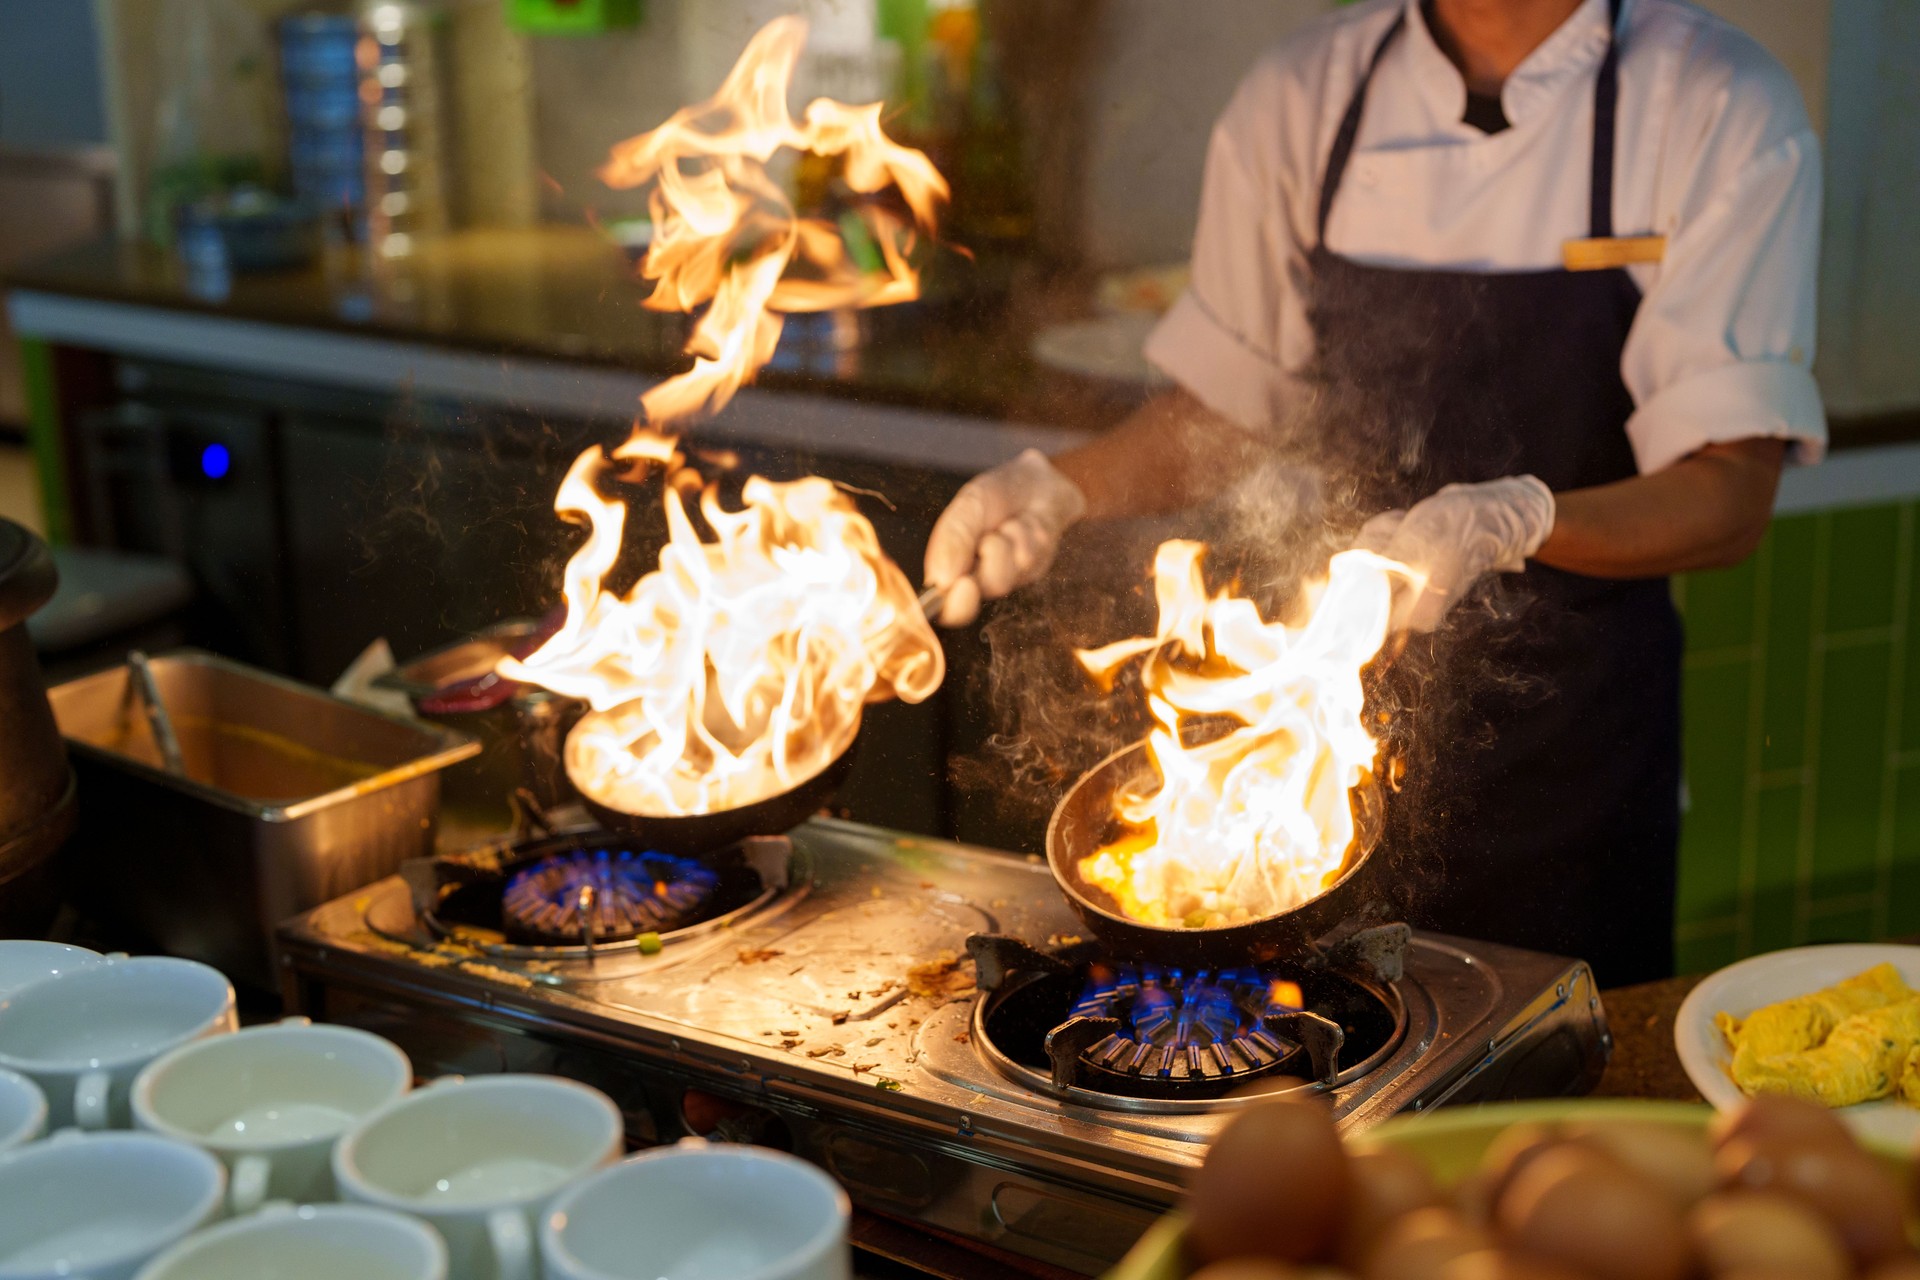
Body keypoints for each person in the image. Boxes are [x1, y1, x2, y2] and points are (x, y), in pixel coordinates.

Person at [921, 0, 1825, 986]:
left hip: (1570, 769)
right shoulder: (1305, 98)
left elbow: (1731, 489)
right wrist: (1061, 487)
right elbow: (1227, 408)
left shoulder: (1714, 105)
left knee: (1541, 1112)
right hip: (1298, 762)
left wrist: (1509, 519)